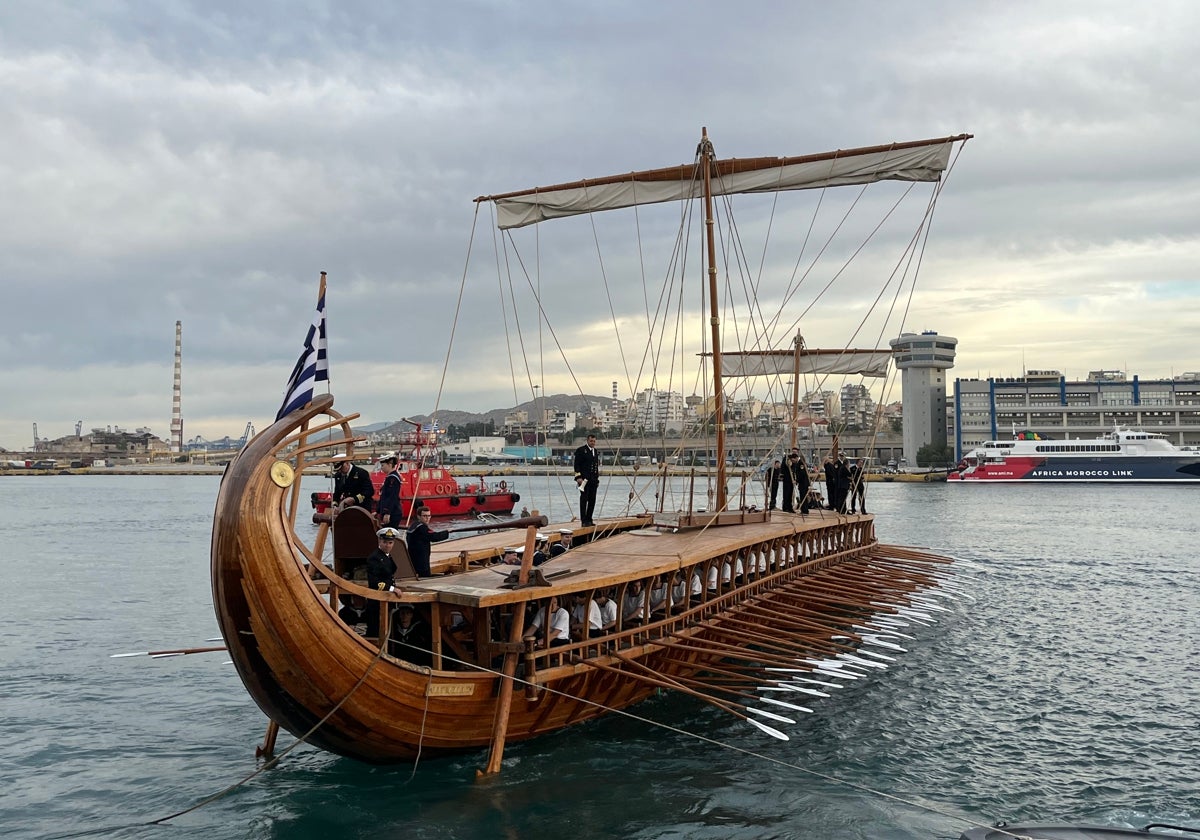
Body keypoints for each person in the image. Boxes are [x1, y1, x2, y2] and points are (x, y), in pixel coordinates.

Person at [406, 506, 449, 577]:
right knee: (425, 576)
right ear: (419, 516)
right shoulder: (422, 528)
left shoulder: (413, 526)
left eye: (429, 516)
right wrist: (446, 532)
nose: (427, 518)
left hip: (412, 556)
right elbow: (434, 536)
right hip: (421, 558)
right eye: (424, 516)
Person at [573, 433, 601, 526]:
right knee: (584, 500)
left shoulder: (595, 451)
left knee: (592, 500)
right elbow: (576, 465)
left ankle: (589, 519)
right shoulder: (581, 450)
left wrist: (597, 479)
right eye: (591, 441)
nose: (592, 443)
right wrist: (578, 477)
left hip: (593, 480)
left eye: (594, 441)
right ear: (587, 441)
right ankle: (584, 521)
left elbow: (595, 467)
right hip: (584, 480)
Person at [367, 527, 402, 593]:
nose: (387, 545)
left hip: (388, 596)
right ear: (379, 541)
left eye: (390, 543)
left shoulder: (387, 556)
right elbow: (374, 581)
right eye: (385, 542)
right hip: (378, 597)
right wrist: (392, 589)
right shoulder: (374, 558)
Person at [375, 453, 402, 529]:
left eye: (383, 465)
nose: (381, 468)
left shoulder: (393, 479)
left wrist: (387, 512)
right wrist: (378, 511)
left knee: (388, 535)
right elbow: (384, 496)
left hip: (393, 513)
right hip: (389, 512)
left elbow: (392, 496)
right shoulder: (390, 478)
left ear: (390, 464)